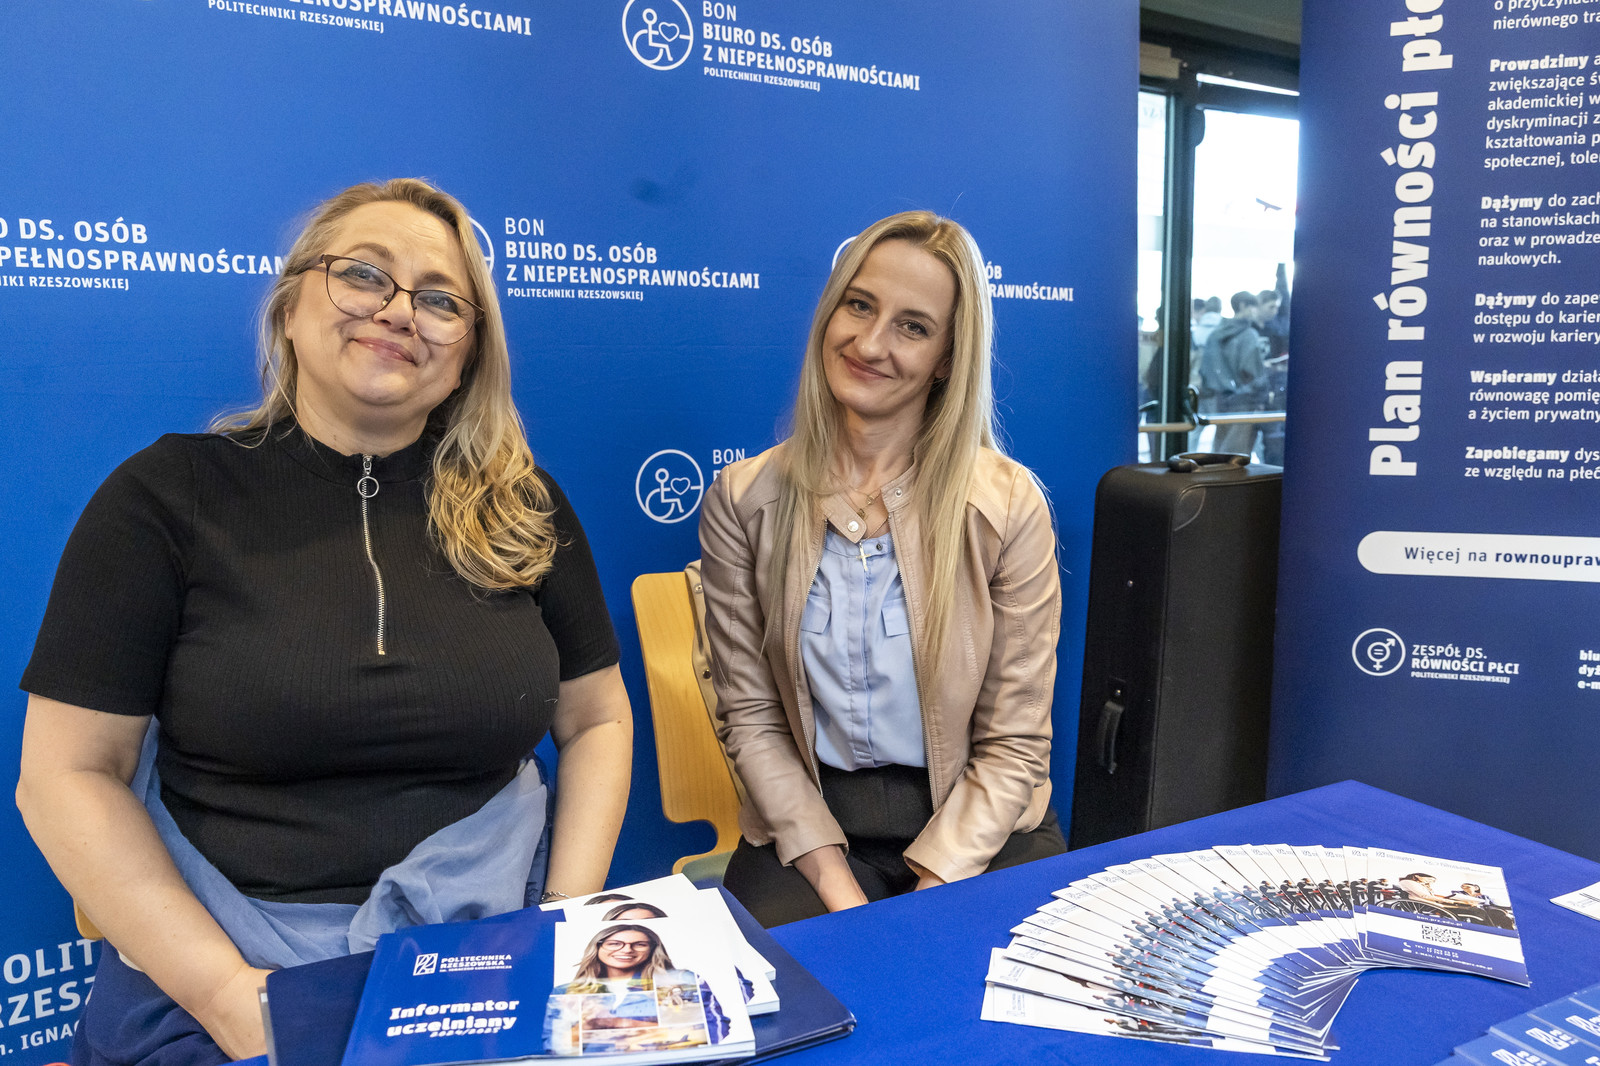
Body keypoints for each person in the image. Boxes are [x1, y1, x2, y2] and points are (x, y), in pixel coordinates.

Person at [15, 179, 633, 1066]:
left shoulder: (524, 505)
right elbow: (66, 774)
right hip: (225, 975)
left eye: (440, 299)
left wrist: (563, 930)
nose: (399, 310)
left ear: (467, 353)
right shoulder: (165, 497)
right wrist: (230, 998)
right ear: (290, 307)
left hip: (489, 952)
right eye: (364, 275)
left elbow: (599, 718)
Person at [698, 210, 1066, 927]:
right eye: (859, 306)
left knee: (989, 984)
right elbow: (751, 718)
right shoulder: (742, 499)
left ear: (948, 358)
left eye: (913, 327)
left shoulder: (1008, 503)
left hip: (981, 817)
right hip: (811, 824)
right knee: (798, 983)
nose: (870, 344)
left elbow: (1015, 742)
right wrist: (843, 898)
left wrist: (926, 899)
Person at [1197, 290, 1269, 457]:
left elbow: (1206, 369)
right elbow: (1251, 371)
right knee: (1237, 454)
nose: (1256, 311)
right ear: (1243, 306)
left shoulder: (1216, 334)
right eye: (1254, 307)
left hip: (1219, 399)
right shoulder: (1248, 335)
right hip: (1244, 401)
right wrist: (1261, 394)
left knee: (1220, 448)